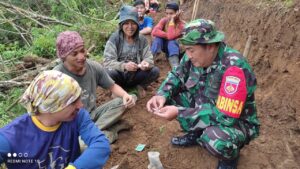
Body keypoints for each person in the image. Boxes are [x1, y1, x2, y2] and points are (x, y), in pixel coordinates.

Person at [146, 19, 260, 169]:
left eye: (191, 50)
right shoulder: (192, 56)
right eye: (186, 49)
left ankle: (228, 158)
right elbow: (176, 75)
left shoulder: (234, 68)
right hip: (205, 106)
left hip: (235, 122)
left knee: (214, 139)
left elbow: (226, 117)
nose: (188, 55)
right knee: (171, 98)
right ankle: (195, 133)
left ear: (211, 46)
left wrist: (180, 113)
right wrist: (162, 94)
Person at [0, 70, 110, 169]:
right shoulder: (9, 138)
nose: (80, 105)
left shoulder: (78, 116)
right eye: (72, 102)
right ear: (50, 107)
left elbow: (101, 144)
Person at [54, 31, 136, 144]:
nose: (81, 56)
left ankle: (94, 132)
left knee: (125, 100)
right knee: (81, 146)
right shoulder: (56, 76)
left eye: (82, 51)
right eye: (75, 54)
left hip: (93, 115)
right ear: (64, 57)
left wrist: (126, 95)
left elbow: (112, 86)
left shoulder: (93, 67)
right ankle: (110, 131)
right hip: (72, 123)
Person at [103, 5, 159, 98]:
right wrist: (124, 66)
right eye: (126, 23)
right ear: (121, 24)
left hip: (135, 75)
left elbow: (149, 59)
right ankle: (118, 90)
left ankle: (138, 87)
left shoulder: (142, 39)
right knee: (108, 73)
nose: (130, 27)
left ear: (137, 24)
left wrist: (146, 64)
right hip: (120, 75)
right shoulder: (114, 39)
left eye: (133, 23)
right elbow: (107, 62)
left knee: (155, 71)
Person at [150, 2, 185, 68]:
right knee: (158, 39)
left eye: (171, 13)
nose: (168, 16)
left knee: (172, 42)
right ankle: (150, 60)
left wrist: (172, 22)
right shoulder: (164, 20)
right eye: (167, 13)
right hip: (167, 48)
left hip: (177, 51)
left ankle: (175, 67)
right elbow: (154, 31)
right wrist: (167, 35)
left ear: (177, 13)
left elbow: (170, 37)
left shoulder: (181, 25)